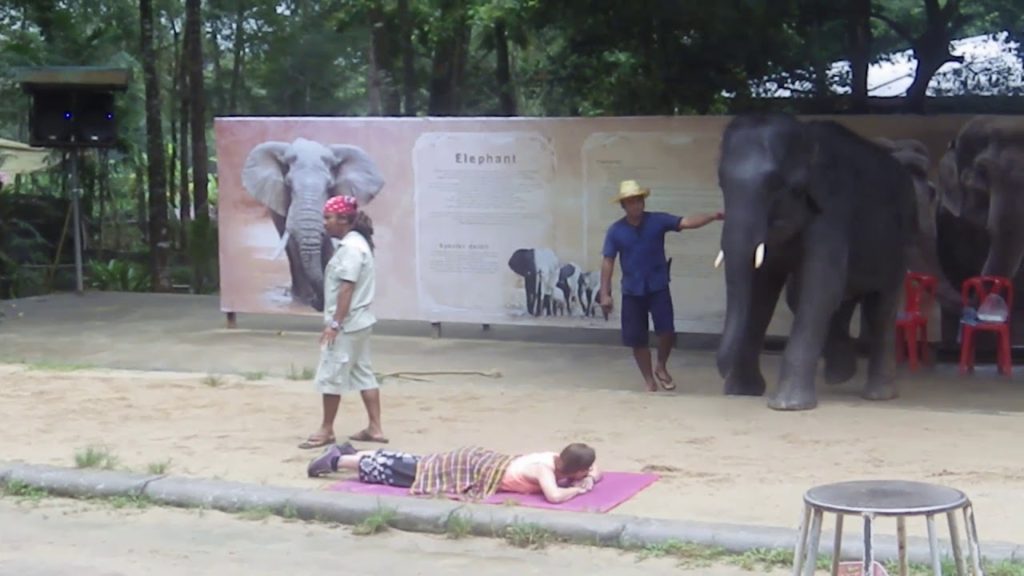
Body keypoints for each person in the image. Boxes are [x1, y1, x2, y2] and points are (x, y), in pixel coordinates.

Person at [599, 179, 724, 392]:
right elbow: (608, 261)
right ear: (624, 206)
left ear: (643, 202)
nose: (636, 205)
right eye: (630, 202)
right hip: (632, 290)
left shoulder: (657, 221)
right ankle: (649, 379)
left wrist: (713, 216)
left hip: (657, 287)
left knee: (667, 331)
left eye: (638, 201)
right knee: (637, 339)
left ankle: (661, 366)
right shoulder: (616, 231)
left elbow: (686, 222)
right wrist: (605, 293)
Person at [299, 195, 388, 449]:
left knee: (331, 374)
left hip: (347, 324)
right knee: (363, 372)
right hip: (360, 322)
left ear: (344, 220)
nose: (325, 223)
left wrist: (335, 324)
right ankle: (375, 427)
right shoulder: (359, 243)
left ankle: (326, 429)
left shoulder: (350, 249)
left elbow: (346, 289)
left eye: (329, 218)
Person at [307, 442, 602, 504]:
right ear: (570, 468)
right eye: (582, 472)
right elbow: (553, 496)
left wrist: (587, 478)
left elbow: (596, 472)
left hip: (480, 460)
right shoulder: (544, 468)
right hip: (472, 467)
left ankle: (352, 454)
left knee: (414, 462)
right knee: (407, 471)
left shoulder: (558, 459)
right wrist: (578, 490)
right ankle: (339, 462)